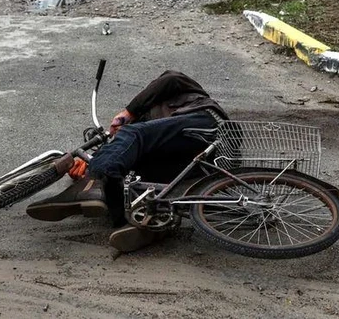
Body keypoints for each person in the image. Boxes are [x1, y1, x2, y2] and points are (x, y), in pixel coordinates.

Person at [26, 70, 228, 253]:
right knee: (132, 179)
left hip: (204, 126)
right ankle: (145, 221)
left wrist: (129, 111)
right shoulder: (148, 126)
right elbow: (124, 153)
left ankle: (93, 184)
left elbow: (171, 79)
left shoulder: (180, 90)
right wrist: (88, 166)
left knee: (133, 135)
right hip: (189, 158)